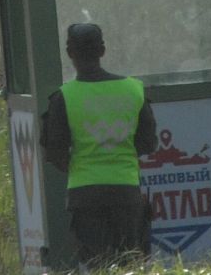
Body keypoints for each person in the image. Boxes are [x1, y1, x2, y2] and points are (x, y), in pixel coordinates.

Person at [41, 23, 157, 270]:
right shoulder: (133, 90)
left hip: (85, 194)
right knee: (131, 264)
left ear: (69, 53)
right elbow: (148, 143)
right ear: (103, 50)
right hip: (126, 190)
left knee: (99, 266)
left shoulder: (64, 96)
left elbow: (55, 154)